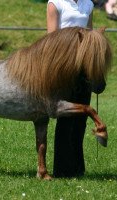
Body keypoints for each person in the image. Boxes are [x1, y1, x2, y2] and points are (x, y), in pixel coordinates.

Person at [47, 0, 94, 178]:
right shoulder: (55, 3)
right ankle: (62, 169)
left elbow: (90, 34)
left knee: (81, 119)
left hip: (84, 66)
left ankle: (77, 167)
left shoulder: (88, 3)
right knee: (66, 118)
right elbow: (51, 37)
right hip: (64, 65)